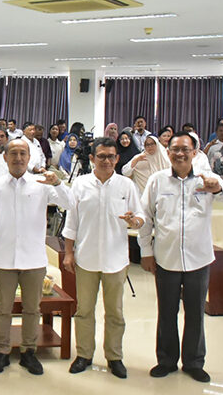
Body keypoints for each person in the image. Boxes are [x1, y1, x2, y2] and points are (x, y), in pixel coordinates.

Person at [138, 131, 223, 383]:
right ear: (168, 152)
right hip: (166, 258)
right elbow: (145, 218)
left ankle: (194, 362)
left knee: (195, 313)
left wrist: (218, 188)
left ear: (195, 153)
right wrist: (146, 252)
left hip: (198, 259)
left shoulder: (208, 179)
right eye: (175, 149)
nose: (180, 154)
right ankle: (166, 360)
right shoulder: (157, 181)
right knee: (167, 312)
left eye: (185, 149)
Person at [0, 139, 75, 376]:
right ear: (5, 157)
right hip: (4, 259)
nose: (18, 158)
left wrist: (58, 183)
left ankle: (28, 352)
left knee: (32, 309)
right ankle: (2, 351)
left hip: (34, 259)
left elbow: (69, 203)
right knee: (2, 308)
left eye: (23, 153)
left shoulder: (41, 183)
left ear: (29, 157)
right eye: (13, 153)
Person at [62, 137, 145, 379]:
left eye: (111, 156)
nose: (106, 161)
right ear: (92, 158)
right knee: (84, 311)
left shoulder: (126, 186)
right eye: (101, 156)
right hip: (86, 259)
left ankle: (114, 357)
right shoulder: (80, 184)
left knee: (115, 312)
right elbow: (72, 222)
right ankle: (84, 354)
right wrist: (68, 253)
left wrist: (134, 221)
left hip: (115, 260)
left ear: (117, 159)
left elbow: (140, 217)